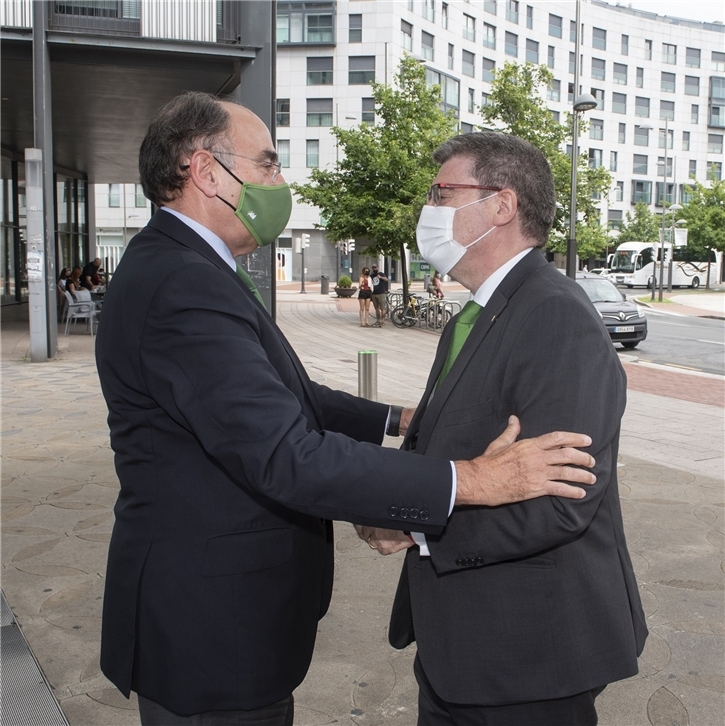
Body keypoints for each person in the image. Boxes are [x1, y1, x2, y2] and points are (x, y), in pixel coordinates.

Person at [95, 94, 597, 726]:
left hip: (222, 619)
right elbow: (285, 455)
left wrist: (395, 419)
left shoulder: (187, 268)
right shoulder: (182, 282)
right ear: (206, 171)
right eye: (270, 165)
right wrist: (471, 480)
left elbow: (285, 398)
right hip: (209, 627)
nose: (282, 182)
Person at [357, 131, 648, 725]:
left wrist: (417, 531)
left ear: (501, 206)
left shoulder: (555, 317)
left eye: (441, 193)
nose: (428, 209)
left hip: (529, 656)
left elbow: (562, 501)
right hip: (463, 651)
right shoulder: (476, 313)